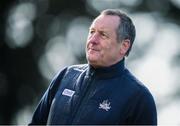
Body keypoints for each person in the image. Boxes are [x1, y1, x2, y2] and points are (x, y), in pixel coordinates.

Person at [29, 9, 157, 125]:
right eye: (92, 32)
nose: (93, 40)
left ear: (124, 46)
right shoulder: (65, 76)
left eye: (103, 35)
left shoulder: (139, 98)